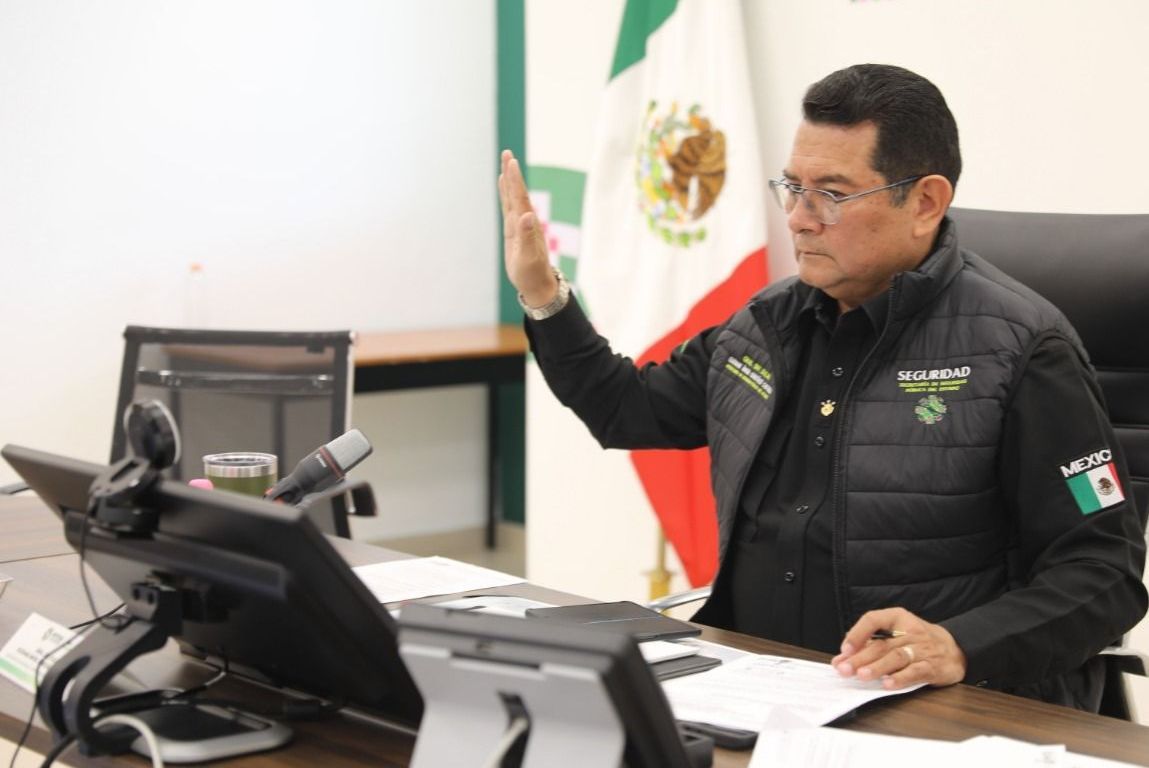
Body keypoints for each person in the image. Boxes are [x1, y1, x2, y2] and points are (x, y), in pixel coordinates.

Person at [498, 63, 1147, 710]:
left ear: (924, 202)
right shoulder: (764, 325)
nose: (799, 219)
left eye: (831, 195)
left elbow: (1103, 573)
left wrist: (959, 644)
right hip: (755, 685)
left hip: (929, 705)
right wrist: (542, 295)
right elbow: (626, 411)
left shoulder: (1023, 350)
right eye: (792, 188)